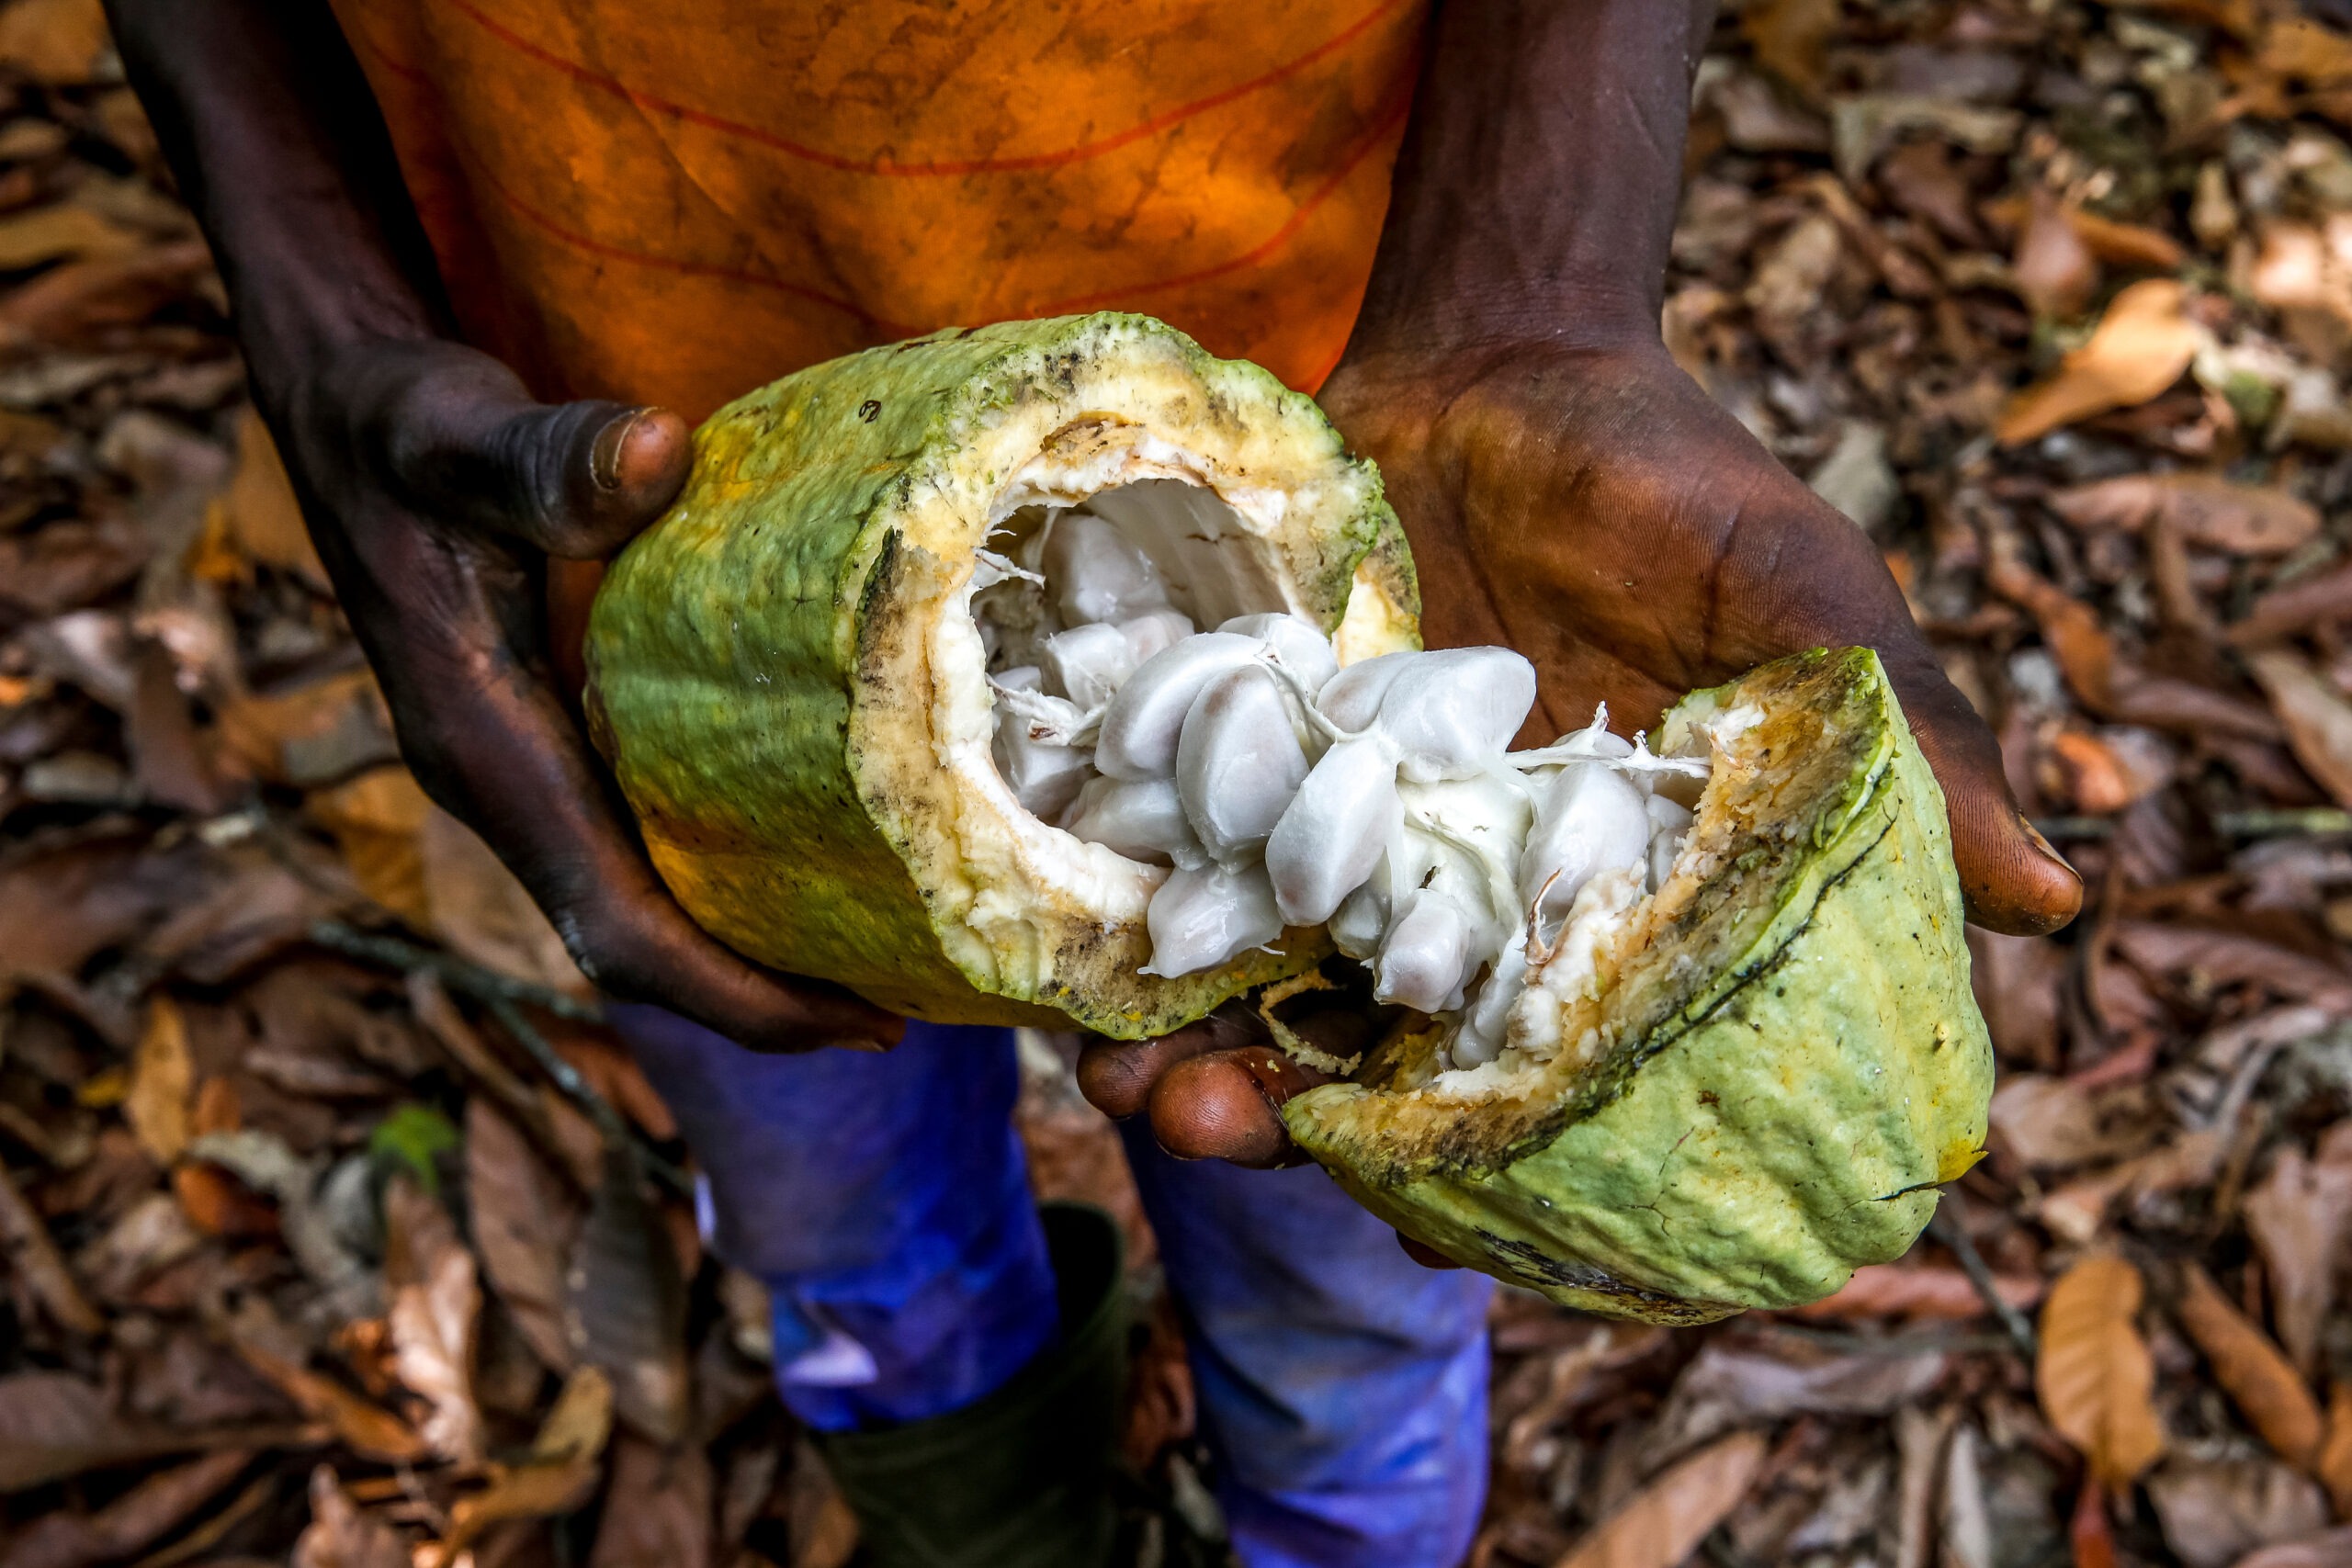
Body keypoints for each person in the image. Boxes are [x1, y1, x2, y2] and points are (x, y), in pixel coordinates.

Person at [112, 5, 2084, 1565]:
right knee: (834, 1218)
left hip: (1358, 355)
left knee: (1346, 1298)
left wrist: (1529, 285)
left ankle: (1332, 1535)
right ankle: (973, 1502)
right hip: (602, 468)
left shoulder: (1364, 602)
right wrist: (313, 305)